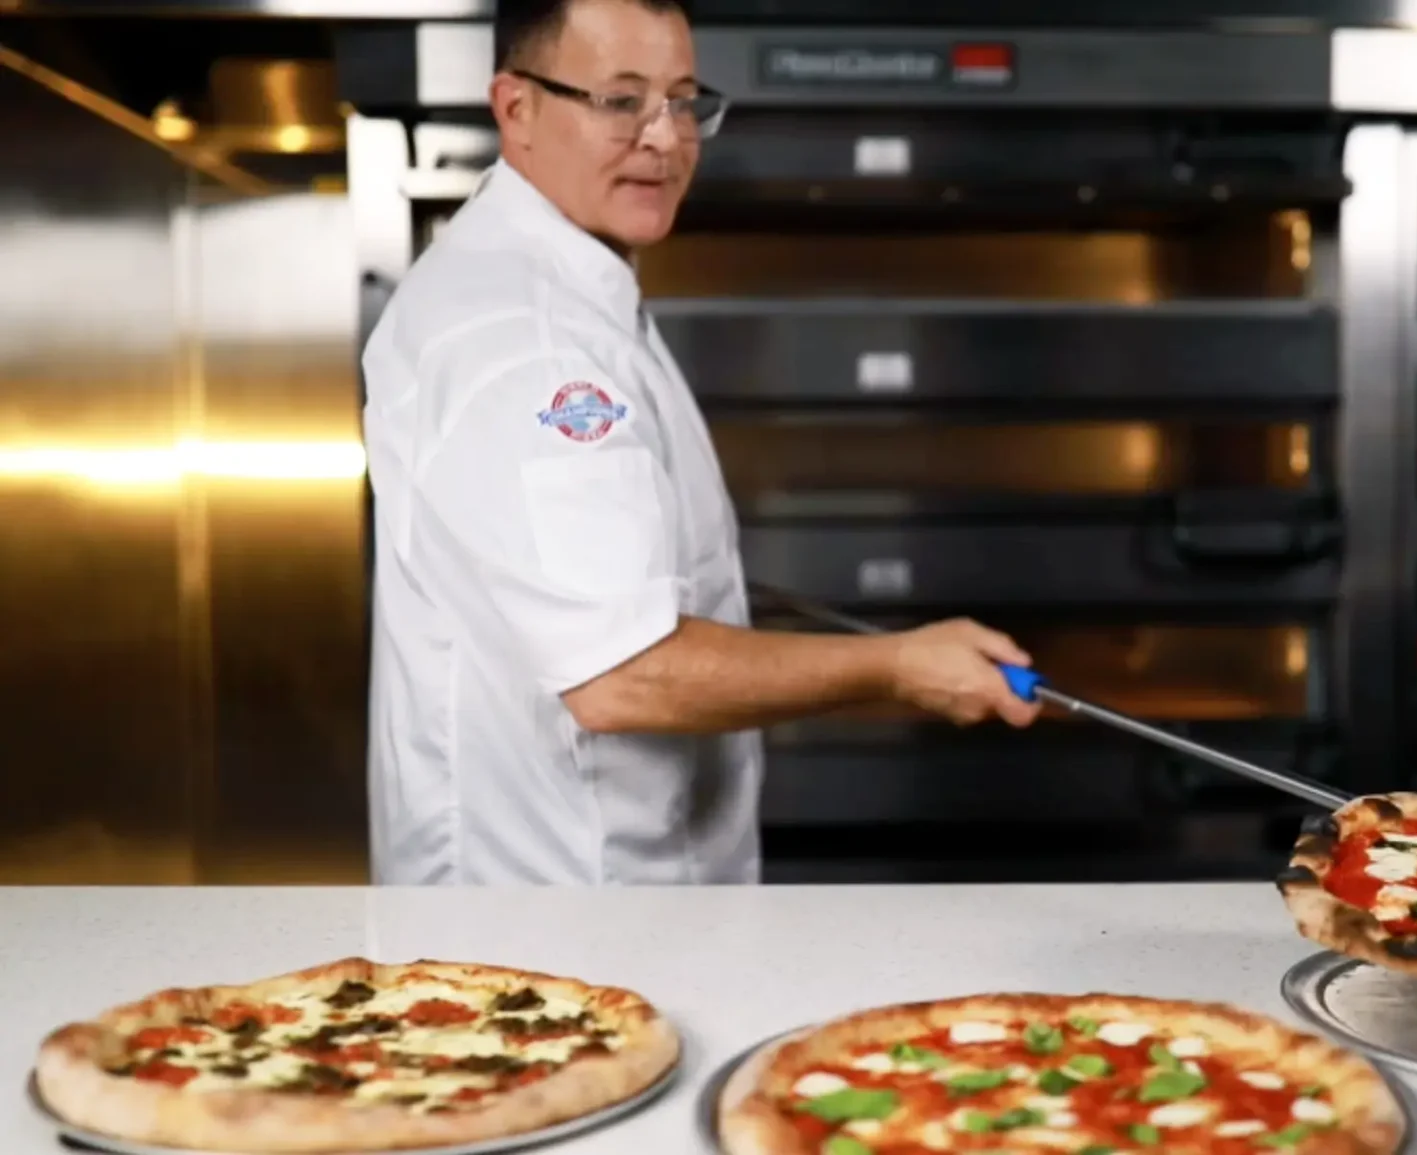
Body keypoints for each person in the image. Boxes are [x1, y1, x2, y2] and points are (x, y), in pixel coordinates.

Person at [358, 0, 1041, 886]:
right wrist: (896, 663)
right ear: (515, 107)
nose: (665, 138)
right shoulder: (530, 338)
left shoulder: (571, 290)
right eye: (621, 100)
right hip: (553, 931)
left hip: (614, 906)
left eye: (685, 101)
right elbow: (622, 676)